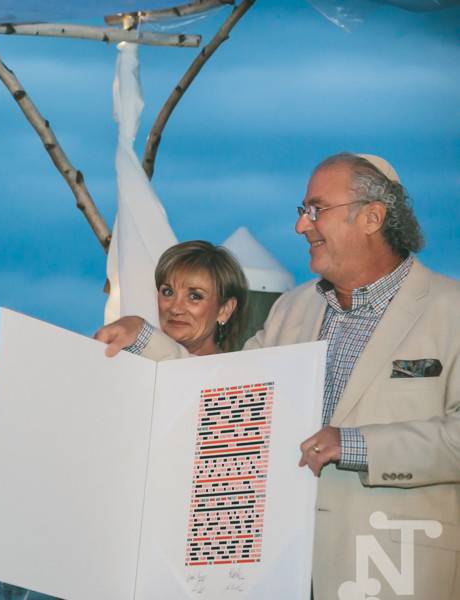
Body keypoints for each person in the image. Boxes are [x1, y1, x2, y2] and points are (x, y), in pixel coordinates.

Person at [97, 153, 459, 600]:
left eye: (315, 210)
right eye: (301, 212)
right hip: (276, 575)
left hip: (396, 574)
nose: (301, 227)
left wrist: (356, 445)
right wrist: (143, 339)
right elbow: (223, 392)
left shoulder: (451, 310)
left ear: (371, 217)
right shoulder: (292, 309)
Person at [152, 240, 248, 355]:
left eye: (194, 296)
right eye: (168, 292)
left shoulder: (234, 371)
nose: (175, 309)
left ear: (224, 310)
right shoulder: (136, 360)